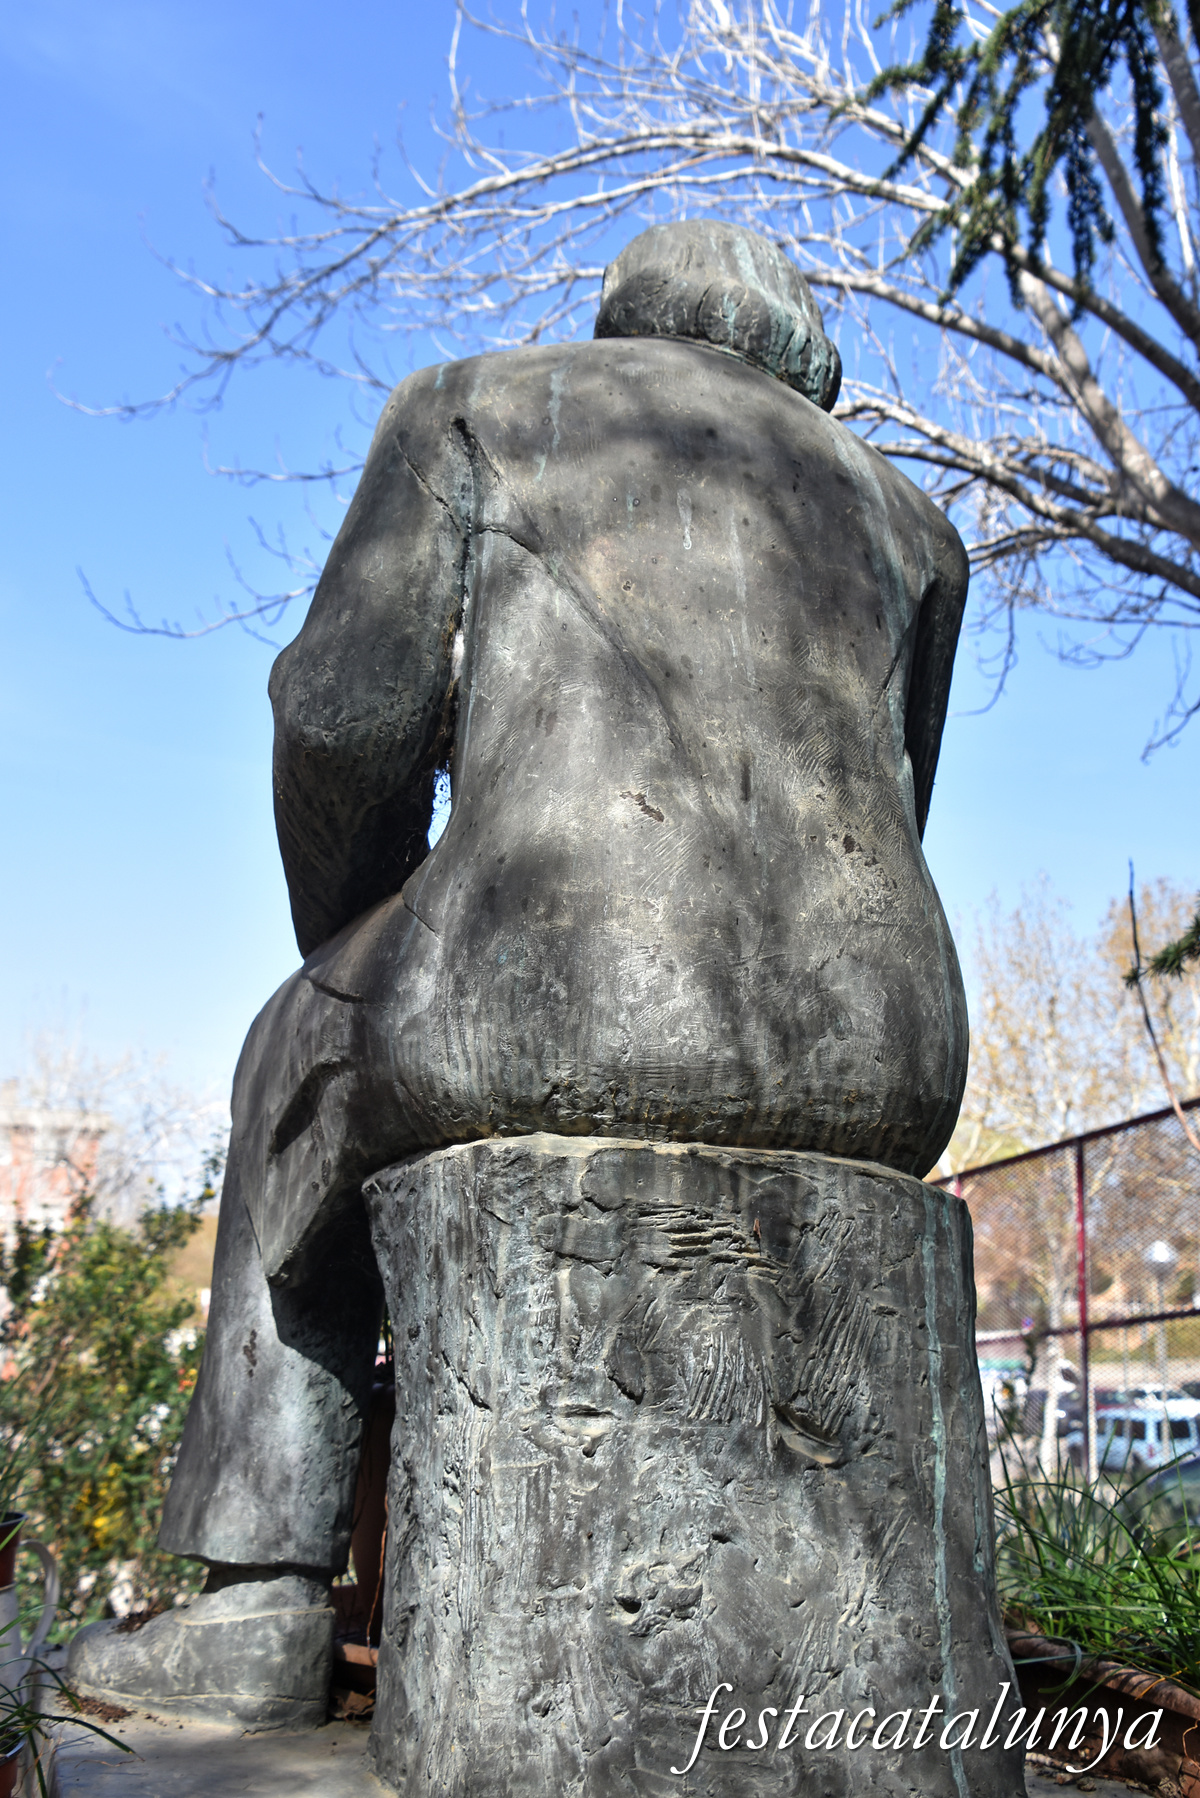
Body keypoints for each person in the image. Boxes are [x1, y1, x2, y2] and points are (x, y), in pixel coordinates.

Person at [68, 220, 969, 1724]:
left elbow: (343, 715)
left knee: (289, 1049)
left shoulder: (476, 402)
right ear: (806, 353)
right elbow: (894, 794)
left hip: (545, 984)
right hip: (883, 1044)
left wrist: (352, 937)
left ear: (626, 317)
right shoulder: (915, 525)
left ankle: (255, 1610)